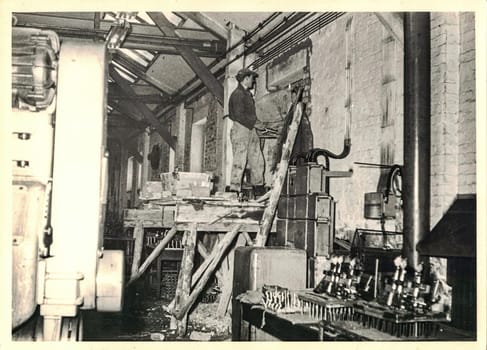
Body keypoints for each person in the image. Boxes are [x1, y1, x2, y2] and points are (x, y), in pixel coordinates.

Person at [227, 68, 265, 195]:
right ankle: (234, 190)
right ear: (246, 78)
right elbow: (238, 115)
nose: (253, 81)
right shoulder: (237, 94)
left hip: (250, 130)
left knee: (257, 161)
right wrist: (255, 123)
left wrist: (257, 124)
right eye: (252, 78)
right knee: (239, 161)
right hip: (241, 129)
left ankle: (259, 190)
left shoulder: (247, 94)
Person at [273, 86, 314, 168]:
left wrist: (308, 152)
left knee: (296, 166)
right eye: (292, 97)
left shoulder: (301, 114)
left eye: (295, 96)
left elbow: (307, 134)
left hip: (297, 145)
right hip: (288, 145)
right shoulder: (290, 113)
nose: (293, 99)